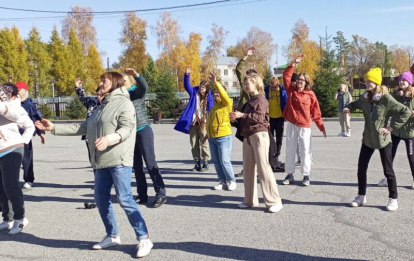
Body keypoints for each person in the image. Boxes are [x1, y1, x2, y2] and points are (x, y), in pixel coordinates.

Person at [35, 72, 153, 257]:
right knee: (100, 198)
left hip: (119, 159)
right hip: (100, 161)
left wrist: (109, 139)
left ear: (115, 82)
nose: (101, 83)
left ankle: (144, 238)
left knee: (125, 199)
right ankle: (112, 235)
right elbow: (83, 127)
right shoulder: (101, 106)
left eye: (104, 80)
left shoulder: (124, 103)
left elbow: (127, 129)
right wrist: (54, 127)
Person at [344, 68, 411, 212]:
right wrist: (348, 108)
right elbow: (354, 104)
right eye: (367, 80)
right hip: (367, 139)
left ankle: (393, 199)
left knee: (388, 171)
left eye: (371, 81)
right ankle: (361, 196)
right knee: (361, 168)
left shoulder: (386, 99)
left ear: (377, 83)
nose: (368, 83)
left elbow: (404, 111)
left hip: (383, 140)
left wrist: (391, 127)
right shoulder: (364, 98)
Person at [230, 74, 283, 213]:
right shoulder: (250, 100)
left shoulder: (261, 99)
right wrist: (235, 119)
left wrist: (242, 115)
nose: (246, 85)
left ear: (256, 83)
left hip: (259, 135)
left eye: (248, 83)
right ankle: (250, 200)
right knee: (248, 169)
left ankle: (274, 201)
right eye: (245, 83)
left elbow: (259, 118)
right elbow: (247, 119)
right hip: (248, 136)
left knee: (263, 168)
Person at [123, 68, 167, 208]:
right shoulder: (122, 95)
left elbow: (144, 86)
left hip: (143, 130)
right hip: (130, 134)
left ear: (130, 81)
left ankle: (161, 194)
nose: (121, 83)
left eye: (123, 81)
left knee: (150, 163)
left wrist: (136, 74)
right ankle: (142, 196)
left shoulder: (137, 92)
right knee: (136, 166)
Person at [282, 54, 326, 186]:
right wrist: (293, 63)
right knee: (290, 149)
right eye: (298, 79)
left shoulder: (310, 94)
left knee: (305, 150)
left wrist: (321, 127)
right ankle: (289, 174)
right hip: (291, 124)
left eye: (302, 80)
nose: (299, 81)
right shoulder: (291, 90)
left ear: (306, 82)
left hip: (305, 126)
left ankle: (306, 176)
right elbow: (286, 76)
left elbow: (316, 112)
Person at [0, 83, 35, 235]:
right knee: (1, 187)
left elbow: (30, 127)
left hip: (12, 148)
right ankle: (8, 218)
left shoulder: (15, 107)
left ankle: (21, 219)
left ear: (13, 95)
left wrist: (23, 141)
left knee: (11, 185)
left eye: (4, 93)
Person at [377, 71, 414, 189]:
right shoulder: (395, 94)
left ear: (409, 82)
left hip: (410, 132)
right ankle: (387, 178)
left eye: (404, 80)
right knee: (389, 155)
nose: (402, 82)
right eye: (400, 80)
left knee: (411, 157)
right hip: (395, 130)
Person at [174, 67, 213, 172]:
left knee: (204, 142)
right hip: (193, 122)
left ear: (207, 88)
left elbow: (212, 109)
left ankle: (206, 163)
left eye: (204, 87)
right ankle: (197, 164)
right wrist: (187, 75)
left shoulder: (209, 97)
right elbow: (187, 86)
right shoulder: (194, 93)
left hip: (203, 123)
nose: (201, 88)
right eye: (201, 86)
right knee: (194, 143)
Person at [202, 72, 236, 191]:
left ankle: (231, 180)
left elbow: (224, 95)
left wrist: (215, 83)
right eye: (214, 92)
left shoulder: (227, 104)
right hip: (212, 138)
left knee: (224, 160)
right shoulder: (214, 107)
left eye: (218, 92)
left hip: (223, 136)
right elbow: (211, 123)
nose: (216, 94)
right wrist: (206, 136)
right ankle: (222, 180)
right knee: (216, 161)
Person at [75, 79, 104, 209]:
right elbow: (83, 98)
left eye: (101, 95)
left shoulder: (109, 105)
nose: (99, 97)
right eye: (97, 95)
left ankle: (106, 185)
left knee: (104, 162)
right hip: (90, 137)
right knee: (94, 161)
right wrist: (78, 88)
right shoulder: (92, 102)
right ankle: (98, 182)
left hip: (104, 138)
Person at [15, 82, 46, 189]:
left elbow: (37, 119)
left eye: (19, 89)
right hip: (12, 136)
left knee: (26, 159)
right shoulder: (12, 104)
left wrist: (41, 133)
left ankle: (29, 179)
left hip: (25, 136)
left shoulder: (29, 105)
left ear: (25, 90)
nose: (17, 92)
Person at [234, 47, 258, 177]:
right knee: (246, 144)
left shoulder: (260, 91)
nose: (249, 80)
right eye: (248, 77)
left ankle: (259, 169)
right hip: (243, 118)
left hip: (255, 120)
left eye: (252, 77)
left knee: (257, 145)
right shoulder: (245, 87)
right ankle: (248, 168)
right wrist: (246, 56)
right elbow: (238, 70)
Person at [264, 76, 287, 171]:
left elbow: (286, 101)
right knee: (269, 138)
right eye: (272, 87)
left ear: (278, 83)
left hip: (279, 117)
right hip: (270, 118)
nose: (273, 89)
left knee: (279, 138)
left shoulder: (282, 90)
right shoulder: (266, 90)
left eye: (275, 87)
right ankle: (269, 157)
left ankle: (277, 155)